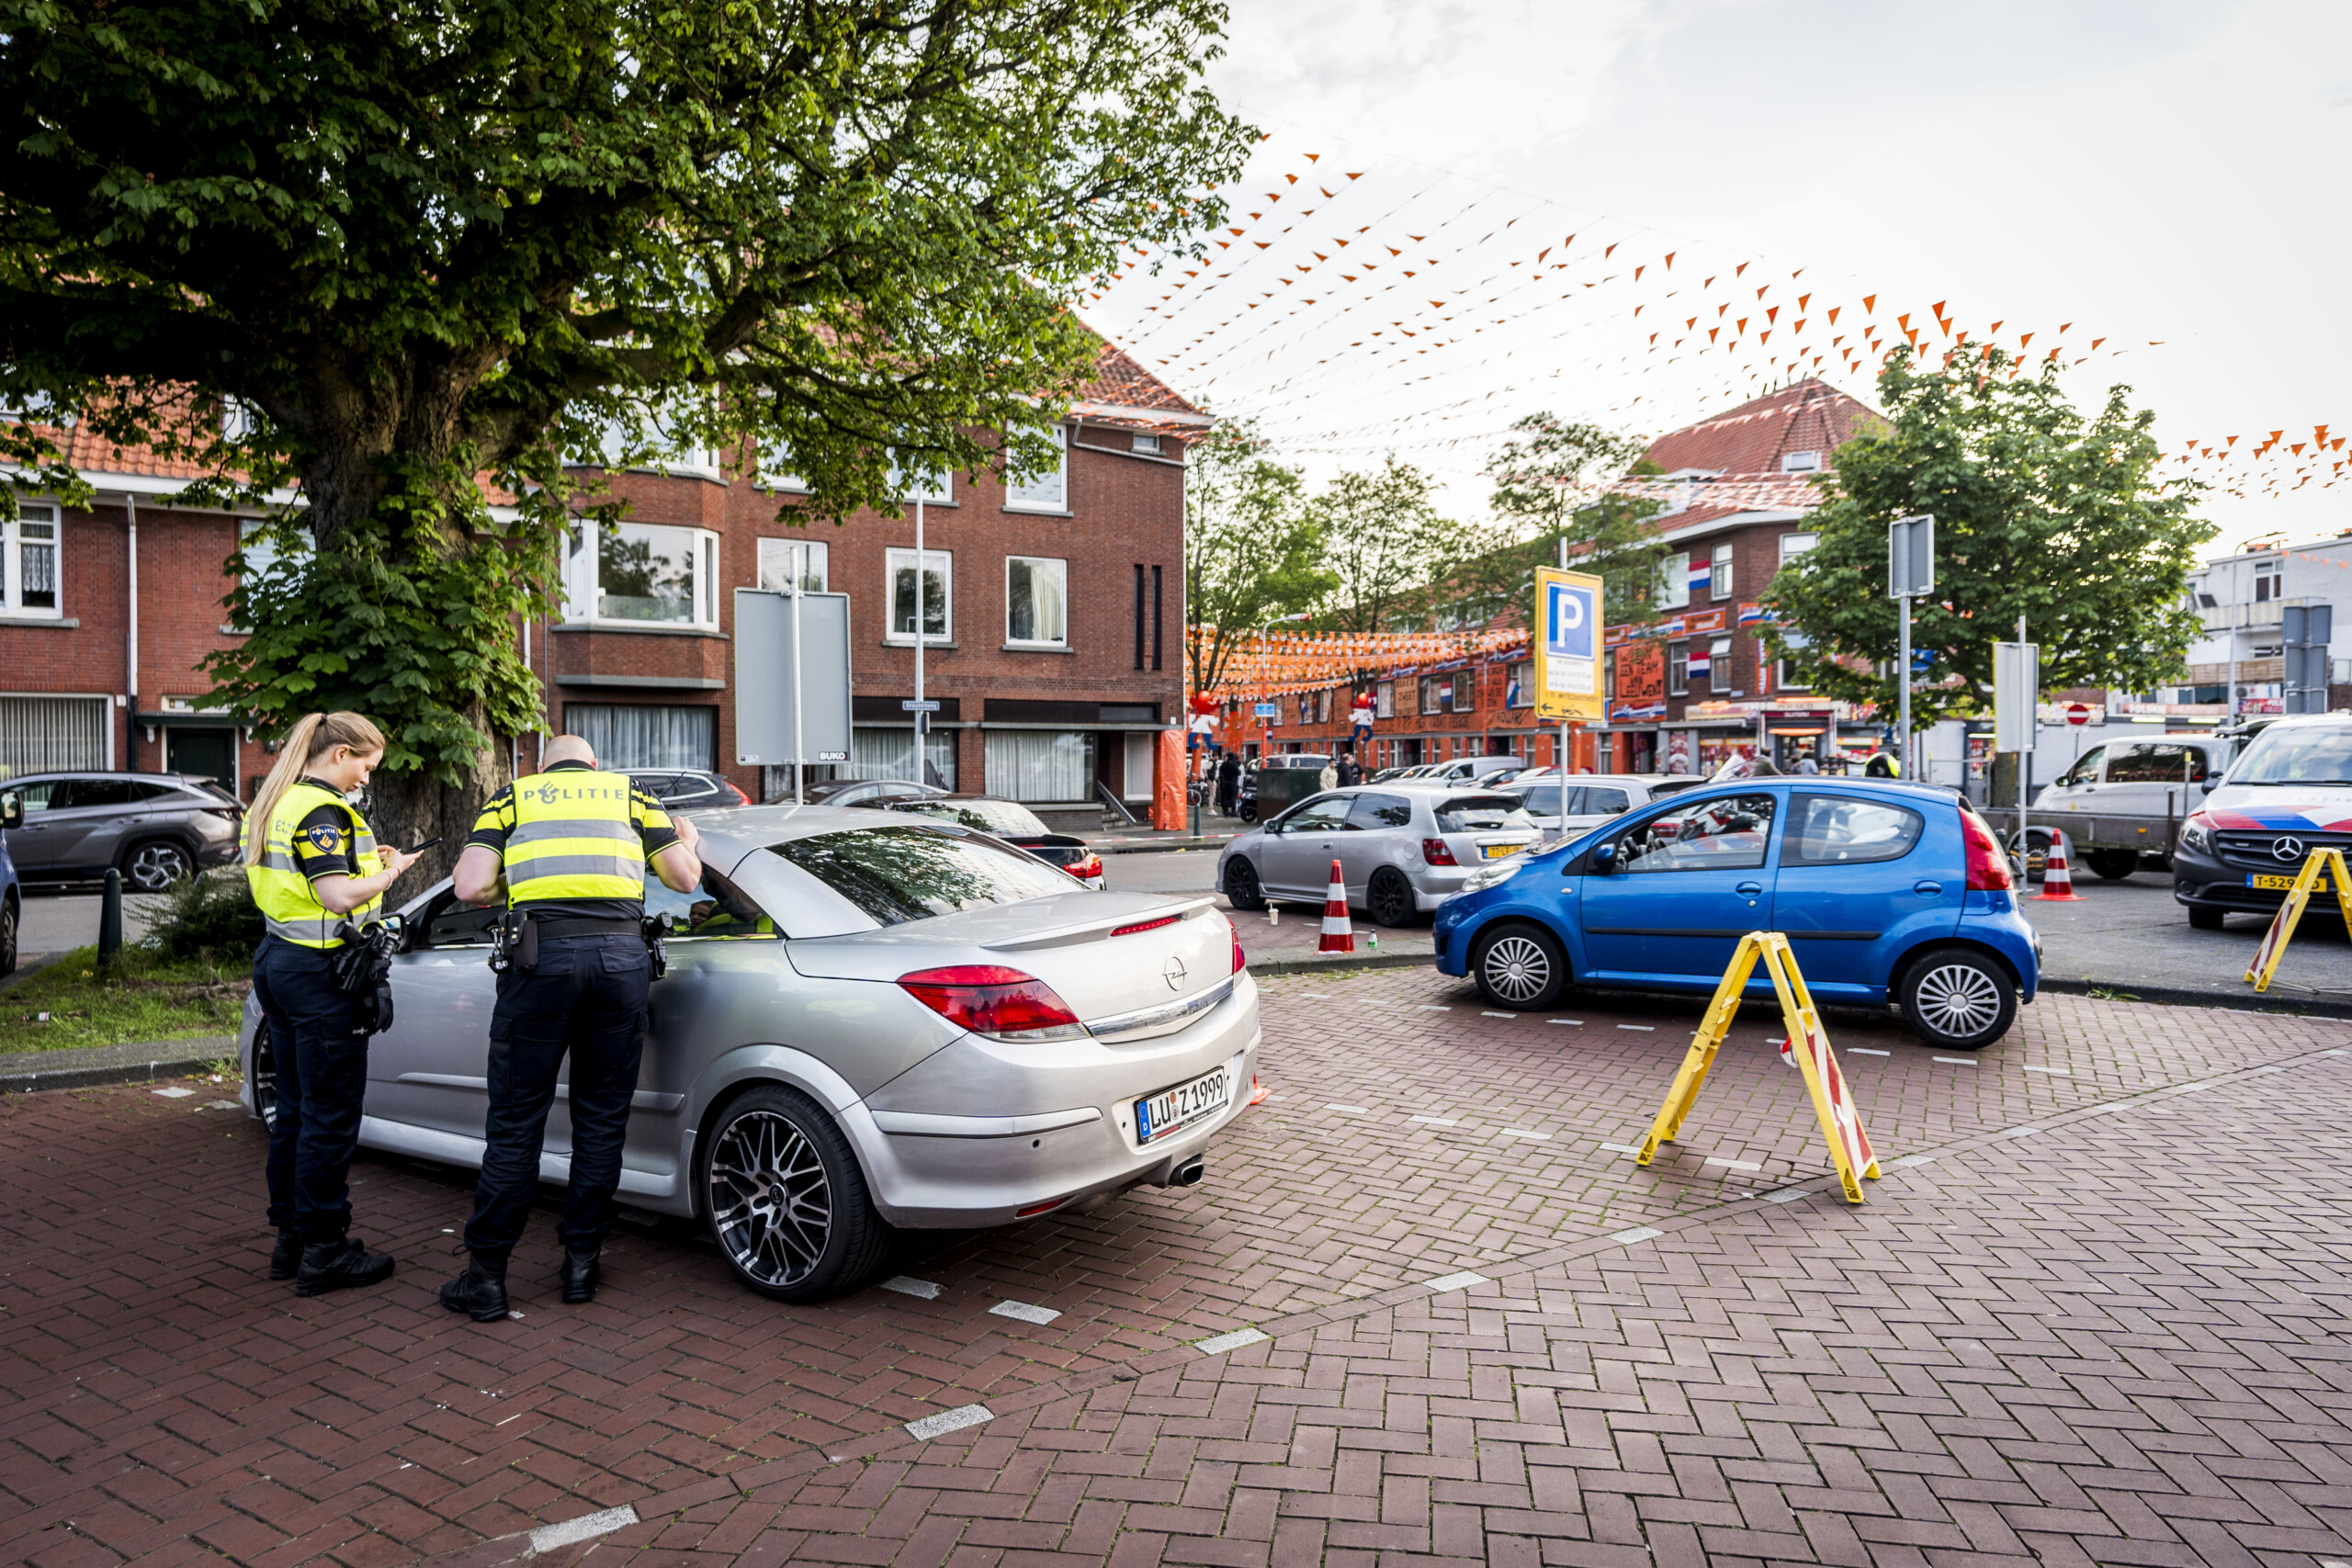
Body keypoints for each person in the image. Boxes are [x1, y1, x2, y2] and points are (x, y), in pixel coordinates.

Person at [439, 736, 704, 1322]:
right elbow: (685, 880)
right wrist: (687, 842)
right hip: (621, 966)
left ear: (543, 767)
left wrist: (519, 885)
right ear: (594, 766)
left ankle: (486, 1279)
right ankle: (582, 1265)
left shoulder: (513, 797)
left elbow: (470, 887)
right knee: (602, 1120)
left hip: (541, 966)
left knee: (515, 1125)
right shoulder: (631, 794)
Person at [243, 711, 424, 1295]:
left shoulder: (279, 800)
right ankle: (325, 1249)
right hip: (320, 975)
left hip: (279, 959)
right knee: (330, 1116)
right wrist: (390, 872)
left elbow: (300, 881)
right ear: (341, 753)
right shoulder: (321, 811)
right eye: (366, 766)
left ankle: (292, 1240)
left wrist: (369, 860)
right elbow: (336, 894)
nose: (367, 779)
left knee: (295, 1110)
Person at [1215, 750, 1241, 818]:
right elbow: (1239, 773)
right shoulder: (1234, 764)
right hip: (1233, 783)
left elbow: (1221, 772)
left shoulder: (1224, 764)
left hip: (1225, 783)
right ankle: (1233, 811)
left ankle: (1225, 811)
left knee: (1226, 798)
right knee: (1233, 798)